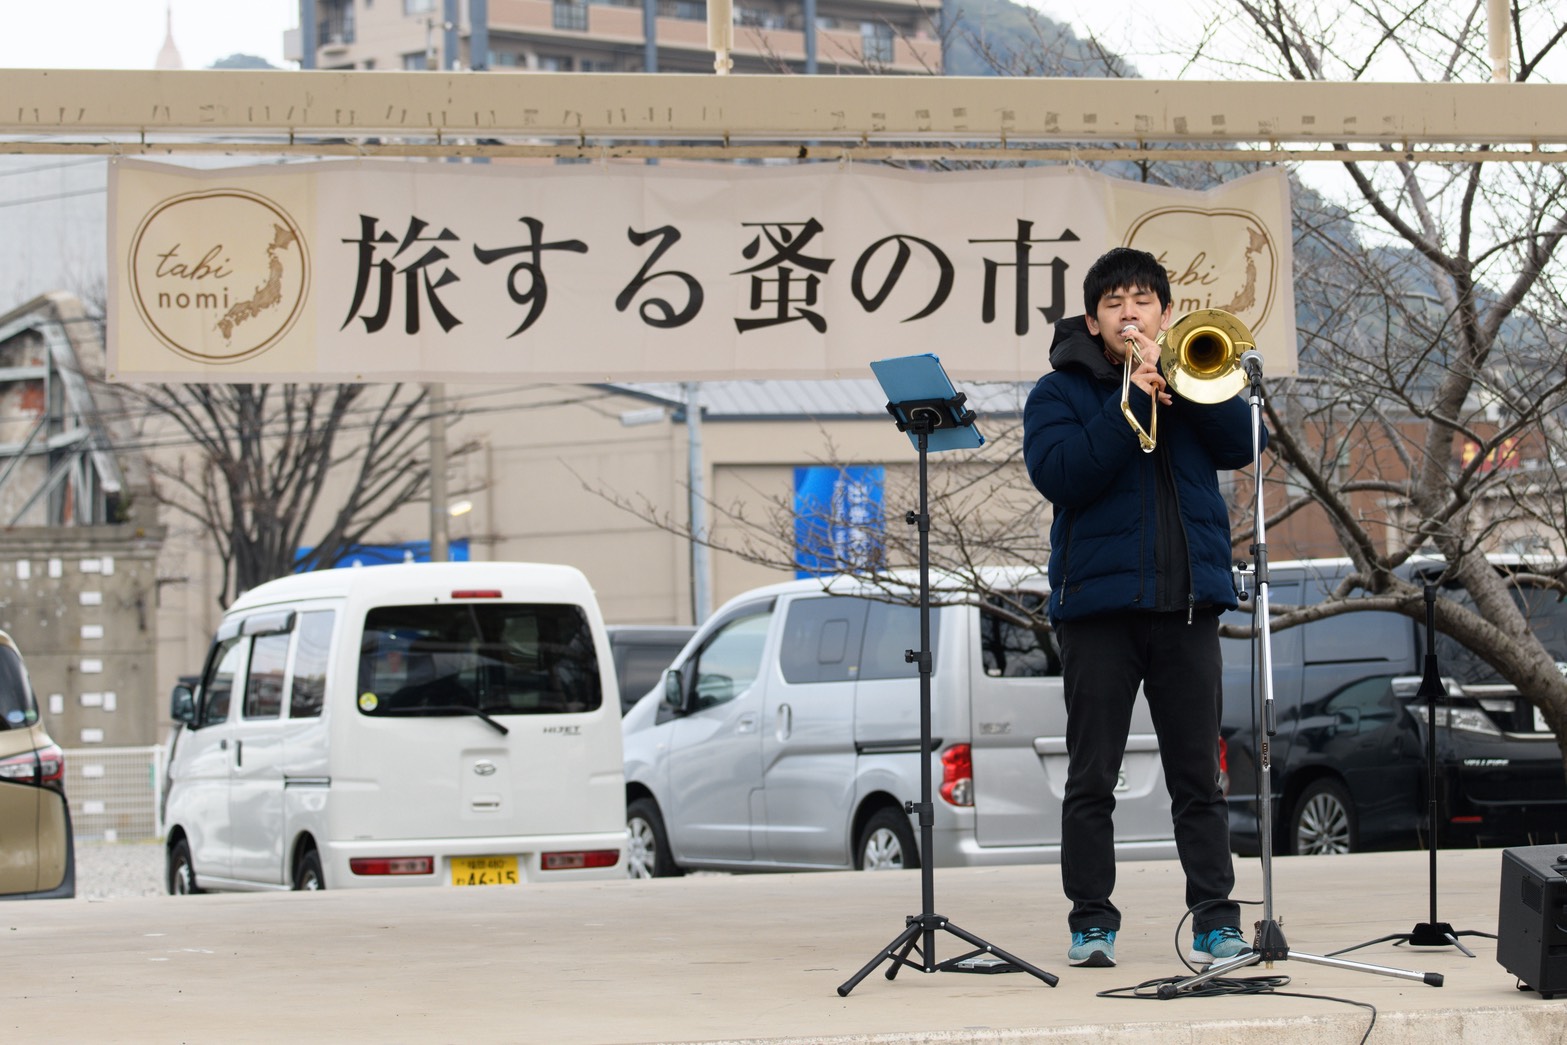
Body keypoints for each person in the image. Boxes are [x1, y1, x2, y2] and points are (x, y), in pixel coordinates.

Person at [1021, 246, 1263, 969]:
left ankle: (1216, 922)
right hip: (1096, 612)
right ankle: (1091, 922)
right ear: (1093, 323)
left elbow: (1240, 444)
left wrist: (1183, 388)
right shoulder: (1057, 393)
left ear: (1164, 311)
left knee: (1199, 777)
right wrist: (1128, 402)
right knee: (1090, 776)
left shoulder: (1198, 374)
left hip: (1187, 606)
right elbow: (1061, 475)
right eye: (1114, 304)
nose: (1130, 313)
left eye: (1143, 301)